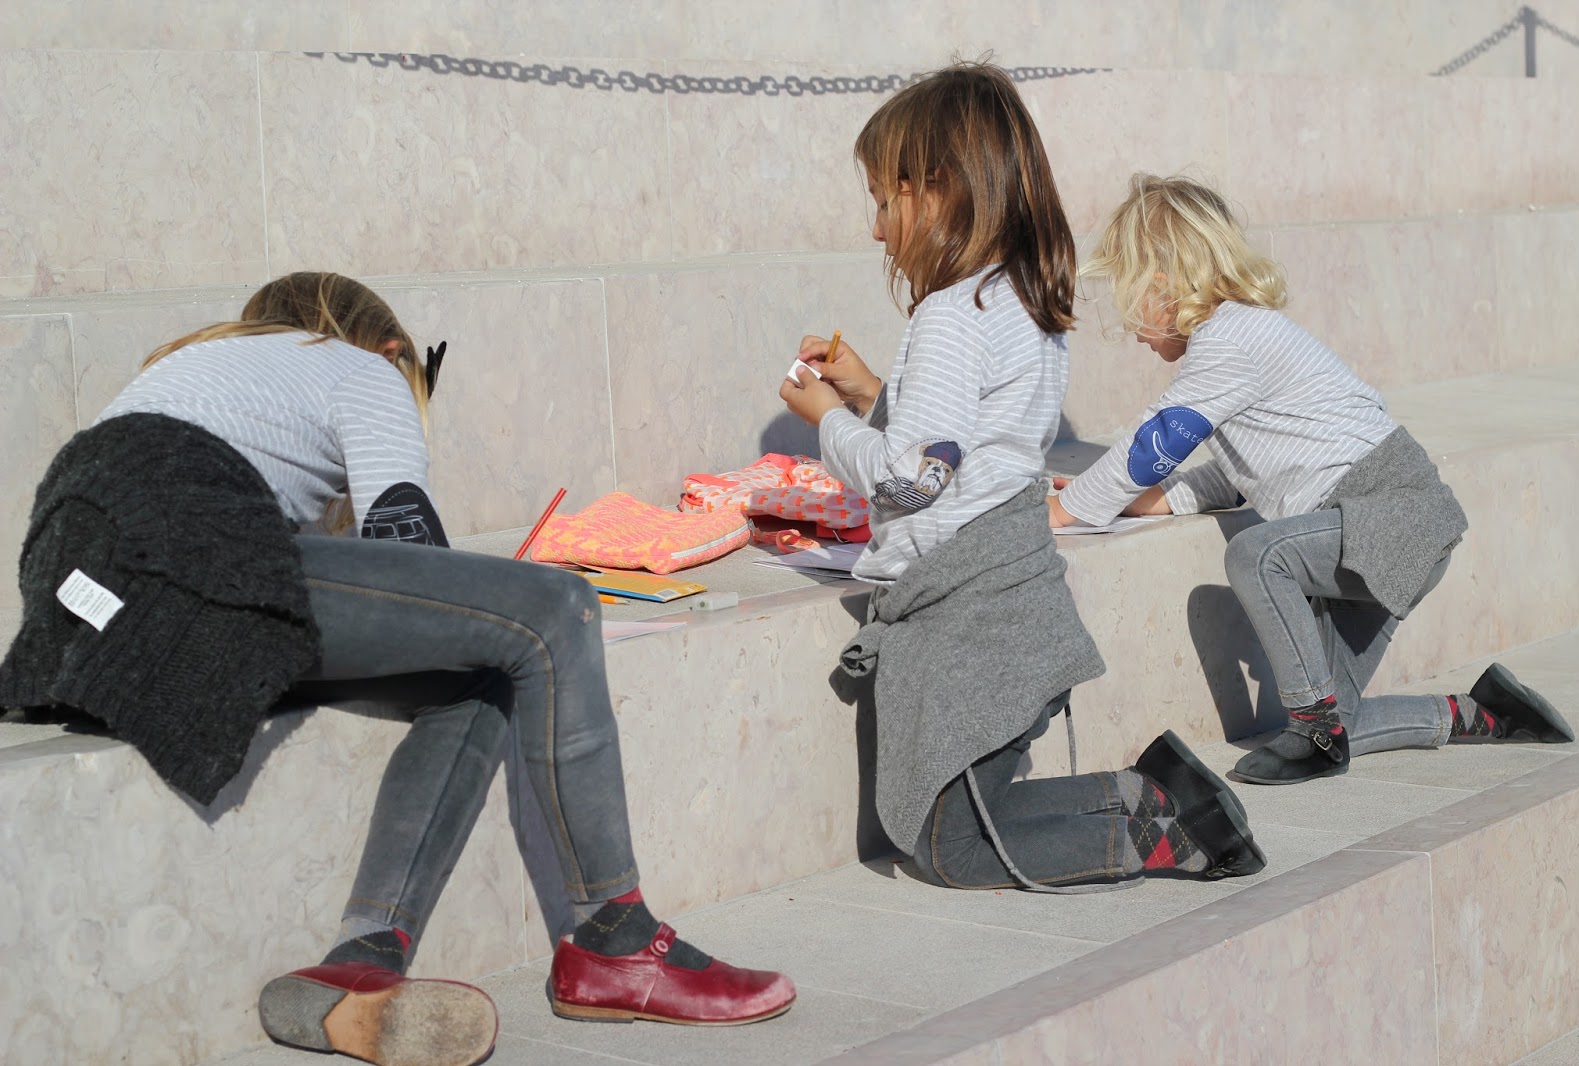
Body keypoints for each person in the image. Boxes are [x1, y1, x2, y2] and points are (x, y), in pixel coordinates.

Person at [0, 273, 795, 1066]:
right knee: (558, 607)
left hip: (77, 619)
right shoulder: (364, 367)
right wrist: (506, 606)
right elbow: (406, 540)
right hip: (187, 561)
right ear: (390, 349)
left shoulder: (201, 367)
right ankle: (615, 939)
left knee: (477, 676)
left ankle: (364, 956)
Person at [779, 64, 1265, 893]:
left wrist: (826, 419)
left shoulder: (949, 316)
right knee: (957, 832)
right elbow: (973, 443)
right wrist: (868, 394)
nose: (876, 229)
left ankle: (1158, 827)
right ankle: (1158, 798)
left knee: (951, 851)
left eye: (885, 201)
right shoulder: (1017, 300)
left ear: (940, 189)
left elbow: (912, 485)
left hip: (974, 618)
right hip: (1007, 593)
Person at [1051, 174, 1573, 786]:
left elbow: (1157, 440)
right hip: (1384, 531)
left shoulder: (1229, 340)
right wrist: (1149, 502)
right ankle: (1483, 715)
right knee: (1341, 721)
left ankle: (1313, 730)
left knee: (1256, 555)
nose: (1132, 327)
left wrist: (1072, 508)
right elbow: (1238, 479)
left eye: (1130, 298)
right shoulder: (1240, 340)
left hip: (1387, 514)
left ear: (1164, 286)